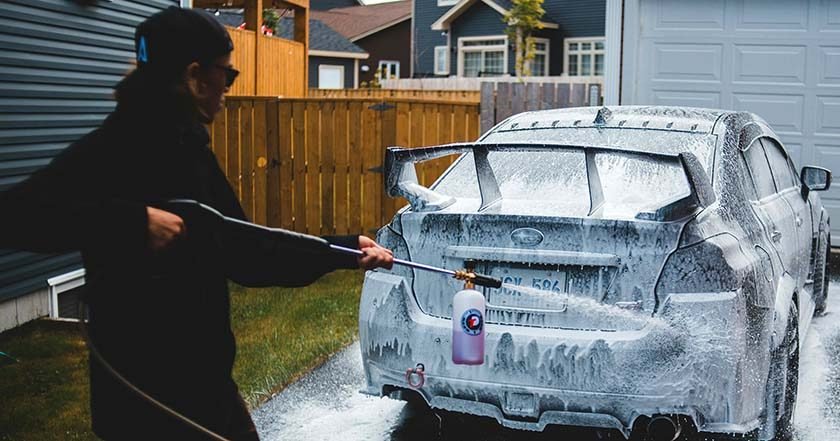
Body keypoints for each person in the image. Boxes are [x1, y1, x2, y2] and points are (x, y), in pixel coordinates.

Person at [0, 7, 393, 441]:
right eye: (227, 74)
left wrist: (342, 251)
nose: (228, 88)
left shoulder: (187, 147)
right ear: (194, 76)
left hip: (207, 388)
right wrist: (129, 221)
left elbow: (243, 251)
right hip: (143, 401)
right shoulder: (112, 148)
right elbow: (15, 216)